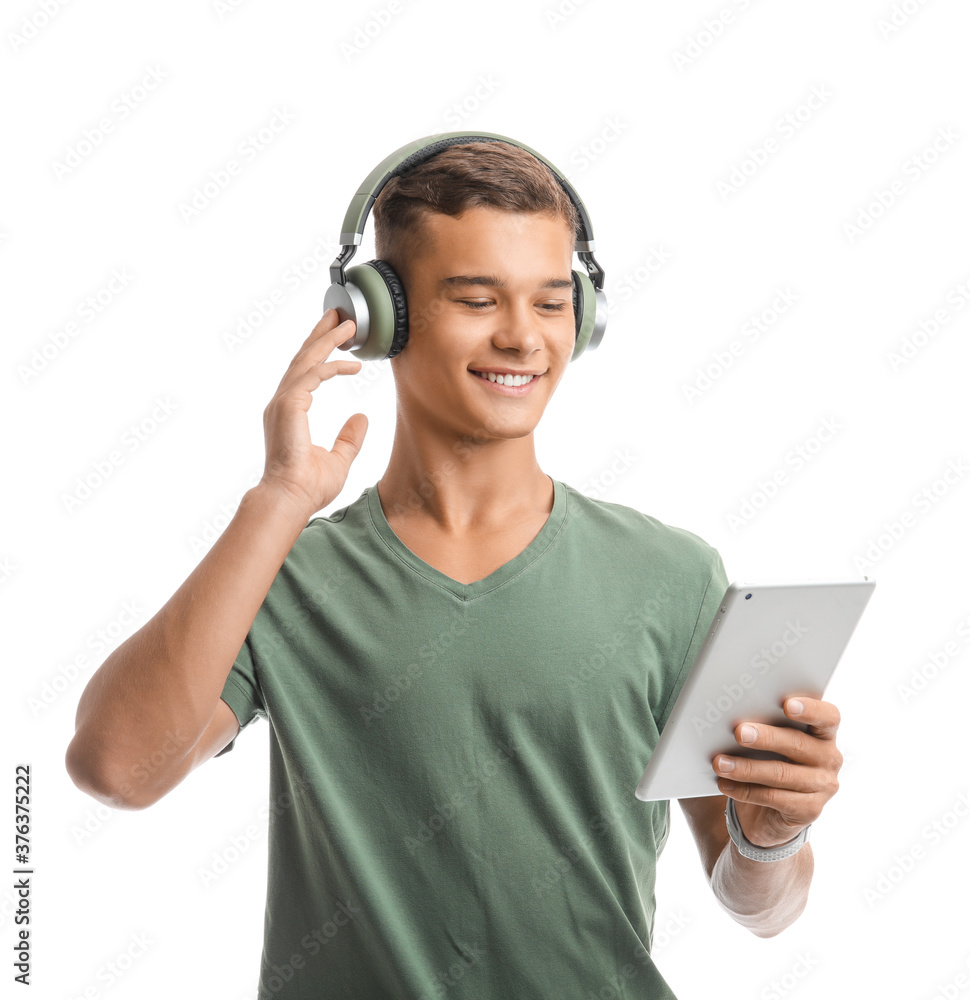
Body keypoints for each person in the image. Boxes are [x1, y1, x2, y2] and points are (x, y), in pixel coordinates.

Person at [65, 135, 844, 999]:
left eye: (552, 303)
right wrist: (280, 497)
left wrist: (770, 839)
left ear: (583, 318)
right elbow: (115, 769)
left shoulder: (674, 576)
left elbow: (758, 908)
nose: (522, 337)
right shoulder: (280, 576)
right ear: (377, 316)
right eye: (477, 299)